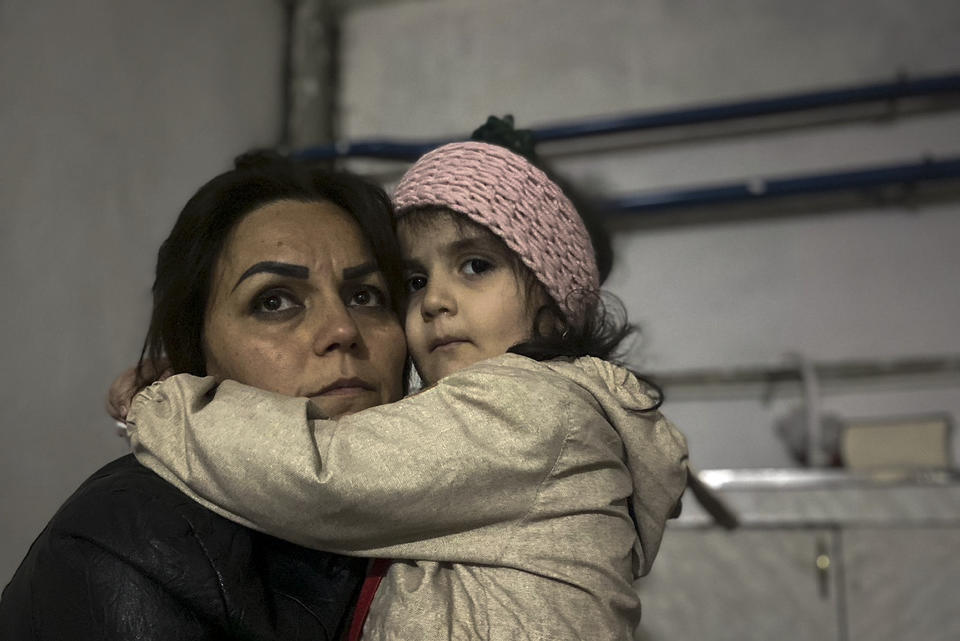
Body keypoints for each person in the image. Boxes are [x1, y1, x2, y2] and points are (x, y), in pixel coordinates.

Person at [123, 121, 690, 640]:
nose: (436, 302)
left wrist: (167, 406)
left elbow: (326, 475)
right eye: (415, 279)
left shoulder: (534, 410)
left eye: (475, 266)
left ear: (555, 302)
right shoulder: (502, 419)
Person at [0, 152, 409, 640]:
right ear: (196, 354)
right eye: (273, 301)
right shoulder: (134, 545)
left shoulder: (450, 498)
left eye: (365, 296)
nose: (342, 329)